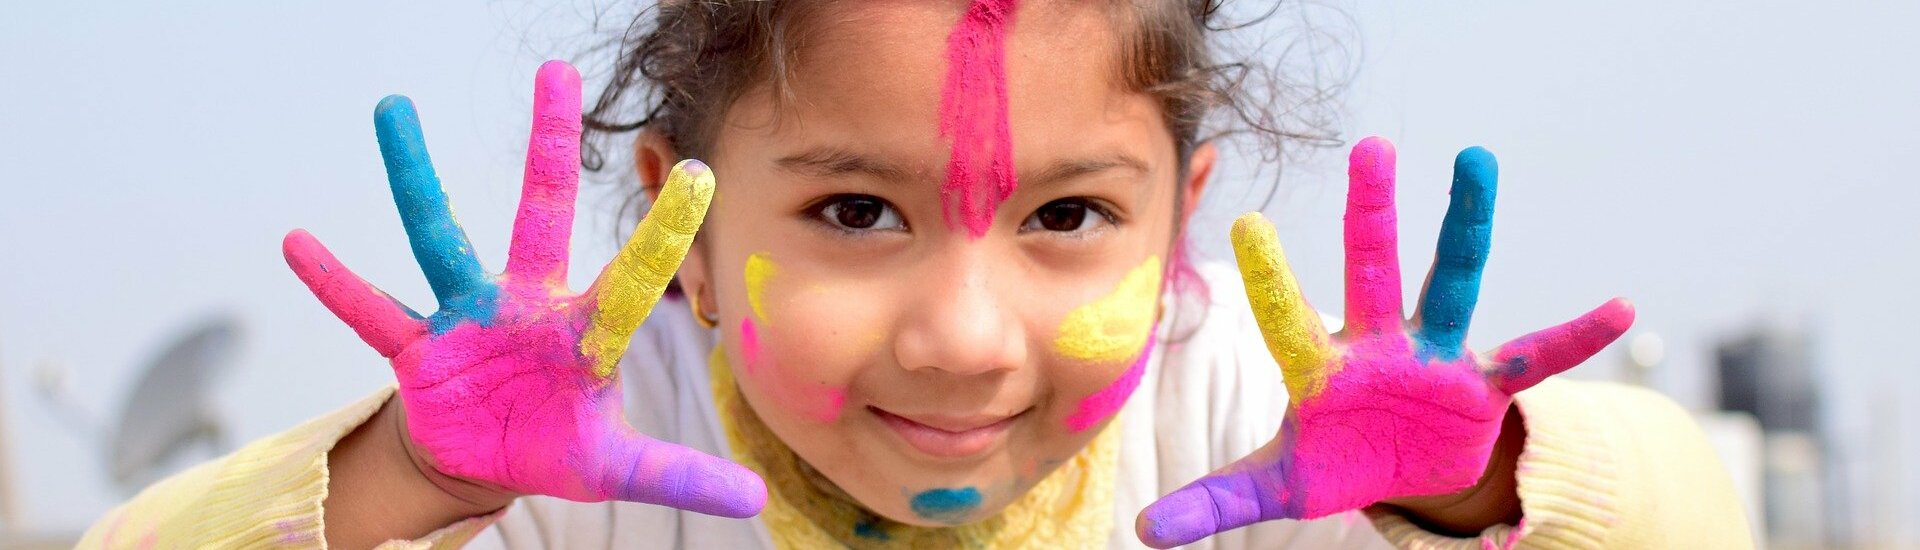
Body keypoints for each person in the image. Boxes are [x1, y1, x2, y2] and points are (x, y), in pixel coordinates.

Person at [80, 1, 1751, 548]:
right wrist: (414, 474)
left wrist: (1472, 496)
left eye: (1069, 219)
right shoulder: (580, 444)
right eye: (856, 216)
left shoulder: (1250, 409)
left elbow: (1701, 510)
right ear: (690, 229)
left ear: (1182, 222)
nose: (964, 338)